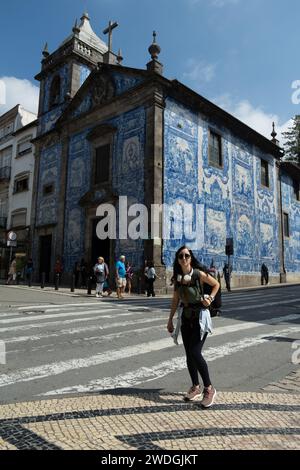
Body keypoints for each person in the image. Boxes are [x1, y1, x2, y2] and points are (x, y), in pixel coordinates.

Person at [167, 246, 220, 408]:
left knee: (196, 352)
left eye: (187, 255)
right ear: (177, 259)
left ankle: (209, 388)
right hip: (186, 318)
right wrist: (170, 320)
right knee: (189, 355)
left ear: (191, 258)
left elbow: (216, 284)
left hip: (200, 318)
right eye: (181, 256)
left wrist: (210, 299)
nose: (184, 258)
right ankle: (195, 386)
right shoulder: (177, 278)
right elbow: (176, 299)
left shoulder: (198, 274)